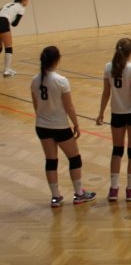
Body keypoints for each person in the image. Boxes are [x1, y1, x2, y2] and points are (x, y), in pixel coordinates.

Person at [31, 46, 96, 207]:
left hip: (42, 126)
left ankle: (55, 197)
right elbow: (69, 107)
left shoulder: (34, 80)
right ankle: (79, 194)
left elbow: (36, 106)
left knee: (51, 161)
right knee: (74, 158)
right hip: (60, 126)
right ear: (57, 60)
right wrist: (76, 124)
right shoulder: (61, 80)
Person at [95, 38, 131, 202]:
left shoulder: (108, 67)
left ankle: (113, 190)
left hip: (116, 114)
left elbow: (106, 93)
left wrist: (101, 113)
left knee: (117, 151)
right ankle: (130, 190)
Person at [1, 0, 29, 76]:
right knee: (8, 47)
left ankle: (7, 70)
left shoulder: (8, 4)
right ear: (23, 0)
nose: (27, 2)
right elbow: (15, 24)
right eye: (27, 0)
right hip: (3, 22)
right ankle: (7, 70)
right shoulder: (21, 8)